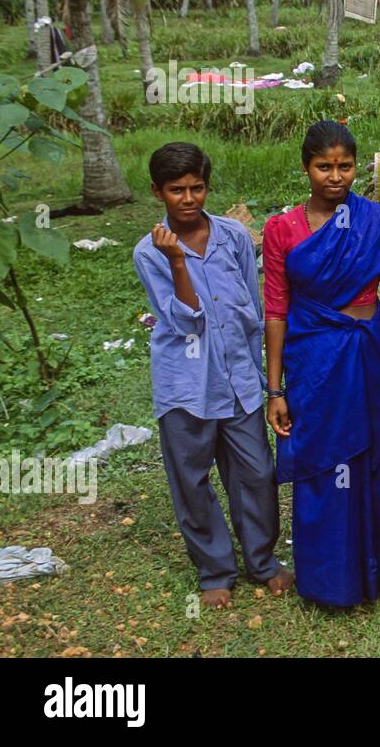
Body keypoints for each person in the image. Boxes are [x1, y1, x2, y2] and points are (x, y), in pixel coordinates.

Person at [133, 143, 291, 610]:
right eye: (176, 190)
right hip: (186, 385)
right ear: (157, 192)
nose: (188, 199)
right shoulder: (150, 252)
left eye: (196, 188)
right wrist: (178, 262)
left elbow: (251, 308)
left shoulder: (235, 237)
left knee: (257, 473)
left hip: (239, 378)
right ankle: (215, 570)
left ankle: (261, 561)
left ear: (207, 186)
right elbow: (184, 321)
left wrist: (265, 376)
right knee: (192, 478)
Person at [263, 121, 380, 606]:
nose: (335, 176)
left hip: (367, 354)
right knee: (323, 465)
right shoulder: (281, 230)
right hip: (314, 361)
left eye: (345, 166)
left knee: (372, 461)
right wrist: (276, 389)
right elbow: (277, 309)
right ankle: (329, 580)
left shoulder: (379, 223)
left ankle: (375, 569)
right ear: (306, 167)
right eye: (324, 166)